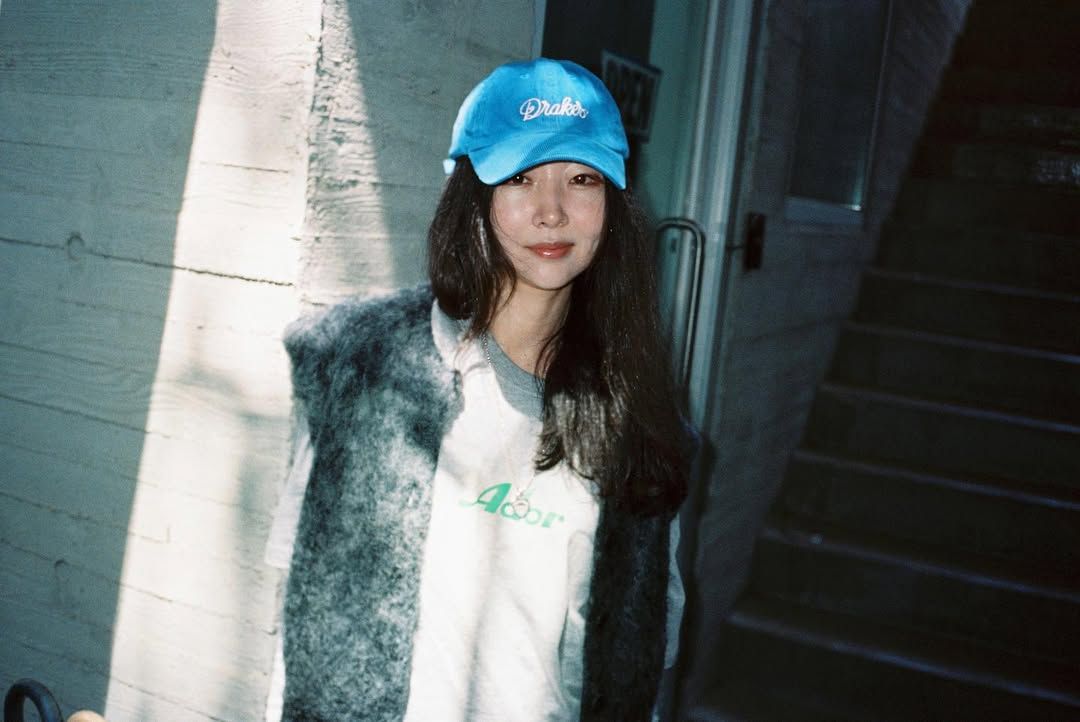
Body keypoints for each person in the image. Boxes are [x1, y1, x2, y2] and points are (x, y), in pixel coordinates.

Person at [265, 58, 692, 722]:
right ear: (472, 196)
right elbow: (299, 595)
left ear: (613, 203)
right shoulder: (363, 365)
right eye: (520, 177)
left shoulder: (636, 418)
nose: (552, 211)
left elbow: (642, 648)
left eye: (582, 178)